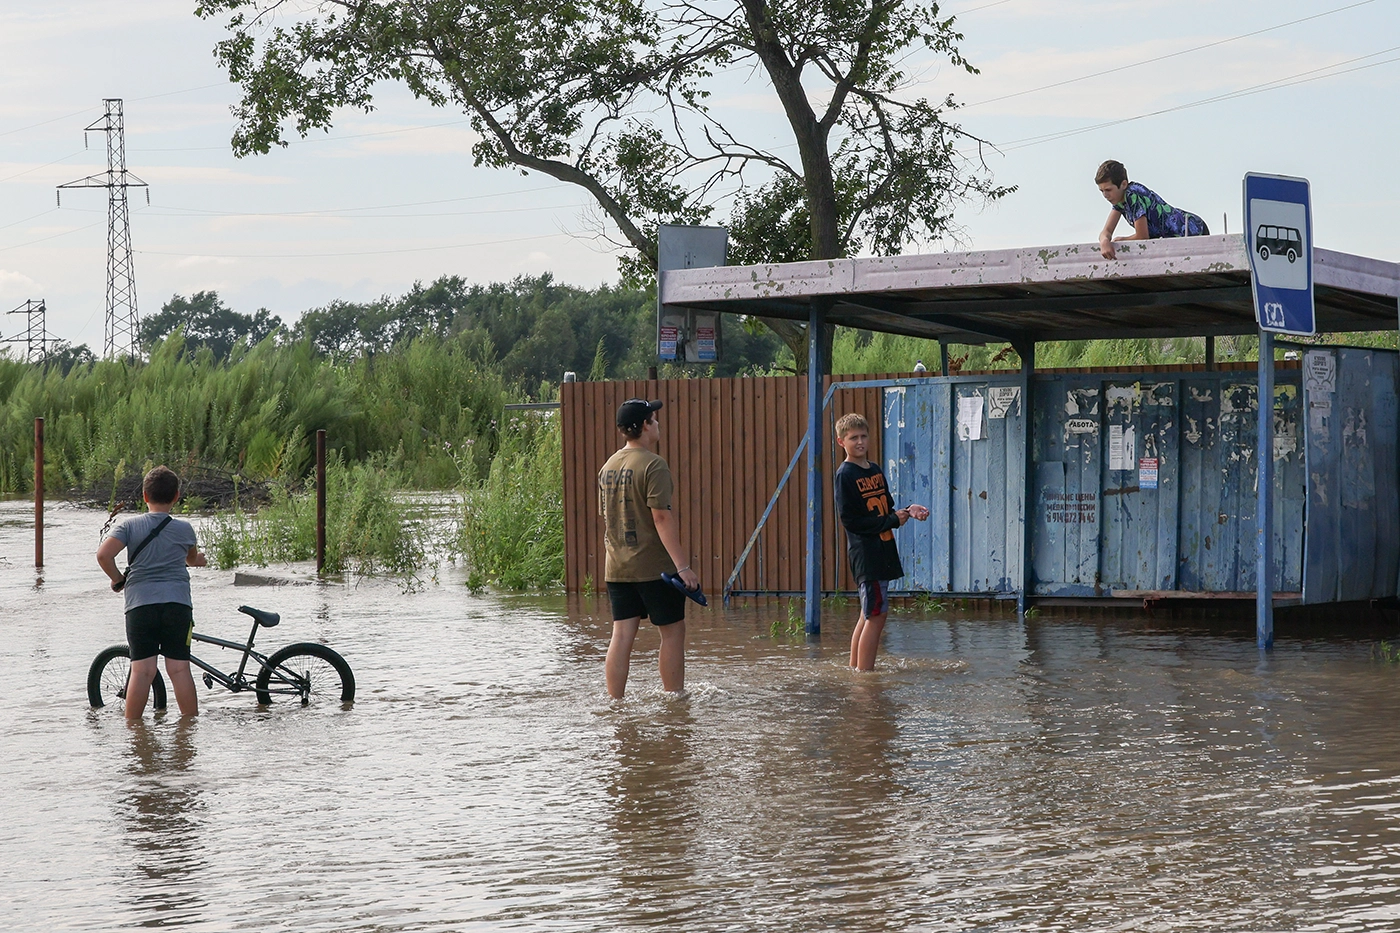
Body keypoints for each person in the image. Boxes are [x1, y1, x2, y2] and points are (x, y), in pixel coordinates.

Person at [598, 398, 700, 699]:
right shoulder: (654, 464)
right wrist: (683, 567)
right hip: (655, 567)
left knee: (622, 633)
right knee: (672, 632)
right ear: (644, 425)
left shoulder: (608, 466)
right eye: (654, 419)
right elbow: (661, 517)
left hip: (616, 566)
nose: (657, 424)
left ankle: (615, 702)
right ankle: (674, 700)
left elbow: (607, 516)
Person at [96, 466, 207, 719]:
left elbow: (103, 555)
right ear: (176, 496)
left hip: (140, 605)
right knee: (179, 669)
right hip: (177, 604)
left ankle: (135, 736)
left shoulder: (129, 527)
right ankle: (189, 732)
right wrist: (198, 560)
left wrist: (117, 579)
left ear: (145, 496)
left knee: (142, 671)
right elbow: (191, 559)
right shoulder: (185, 529)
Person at [833, 413, 929, 671]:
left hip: (883, 549)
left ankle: (856, 670)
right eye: (853, 438)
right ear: (842, 441)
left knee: (868, 614)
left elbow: (887, 509)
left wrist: (908, 510)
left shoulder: (874, 470)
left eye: (863, 436)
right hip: (866, 553)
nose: (860, 442)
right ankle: (865, 678)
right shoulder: (845, 475)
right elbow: (850, 521)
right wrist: (891, 522)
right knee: (876, 614)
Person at [1095, 159, 1209, 260]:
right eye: (1102, 191)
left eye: (1108, 190)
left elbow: (1142, 236)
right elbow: (1106, 231)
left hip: (1192, 229)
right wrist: (1104, 241)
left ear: (1123, 184)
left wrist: (1120, 240)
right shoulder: (1120, 201)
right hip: (1174, 238)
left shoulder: (1132, 195)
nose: (1105, 195)